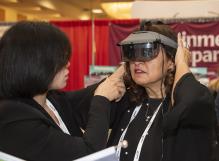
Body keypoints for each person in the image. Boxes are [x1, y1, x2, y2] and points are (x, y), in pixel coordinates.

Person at [0, 21, 126, 161]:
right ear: (35, 63)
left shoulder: (51, 99)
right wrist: (102, 98)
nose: (68, 63)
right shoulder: (15, 119)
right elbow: (88, 154)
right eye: (60, 59)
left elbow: (84, 98)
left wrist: (124, 71)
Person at [106, 22, 215, 161]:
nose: (137, 61)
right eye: (132, 52)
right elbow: (76, 106)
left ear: (171, 60)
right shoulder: (125, 101)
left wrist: (181, 62)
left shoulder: (186, 102)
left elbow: (191, 101)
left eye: (147, 51)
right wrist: (124, 70)